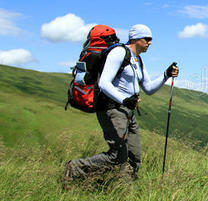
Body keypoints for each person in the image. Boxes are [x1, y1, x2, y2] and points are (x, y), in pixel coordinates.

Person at [63, 24, 179, 186]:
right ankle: (74, 168)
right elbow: (104, 83)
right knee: (117, 155)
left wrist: (166, 75)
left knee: (134, 156)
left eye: (150, 39)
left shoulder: (137, 59)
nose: (150, 42)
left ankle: (124, 193)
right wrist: (124, 100)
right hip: (112, 109)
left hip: (128, 111)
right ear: (135, 39)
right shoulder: (119, 53)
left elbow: (149, 88)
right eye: (147, 39)